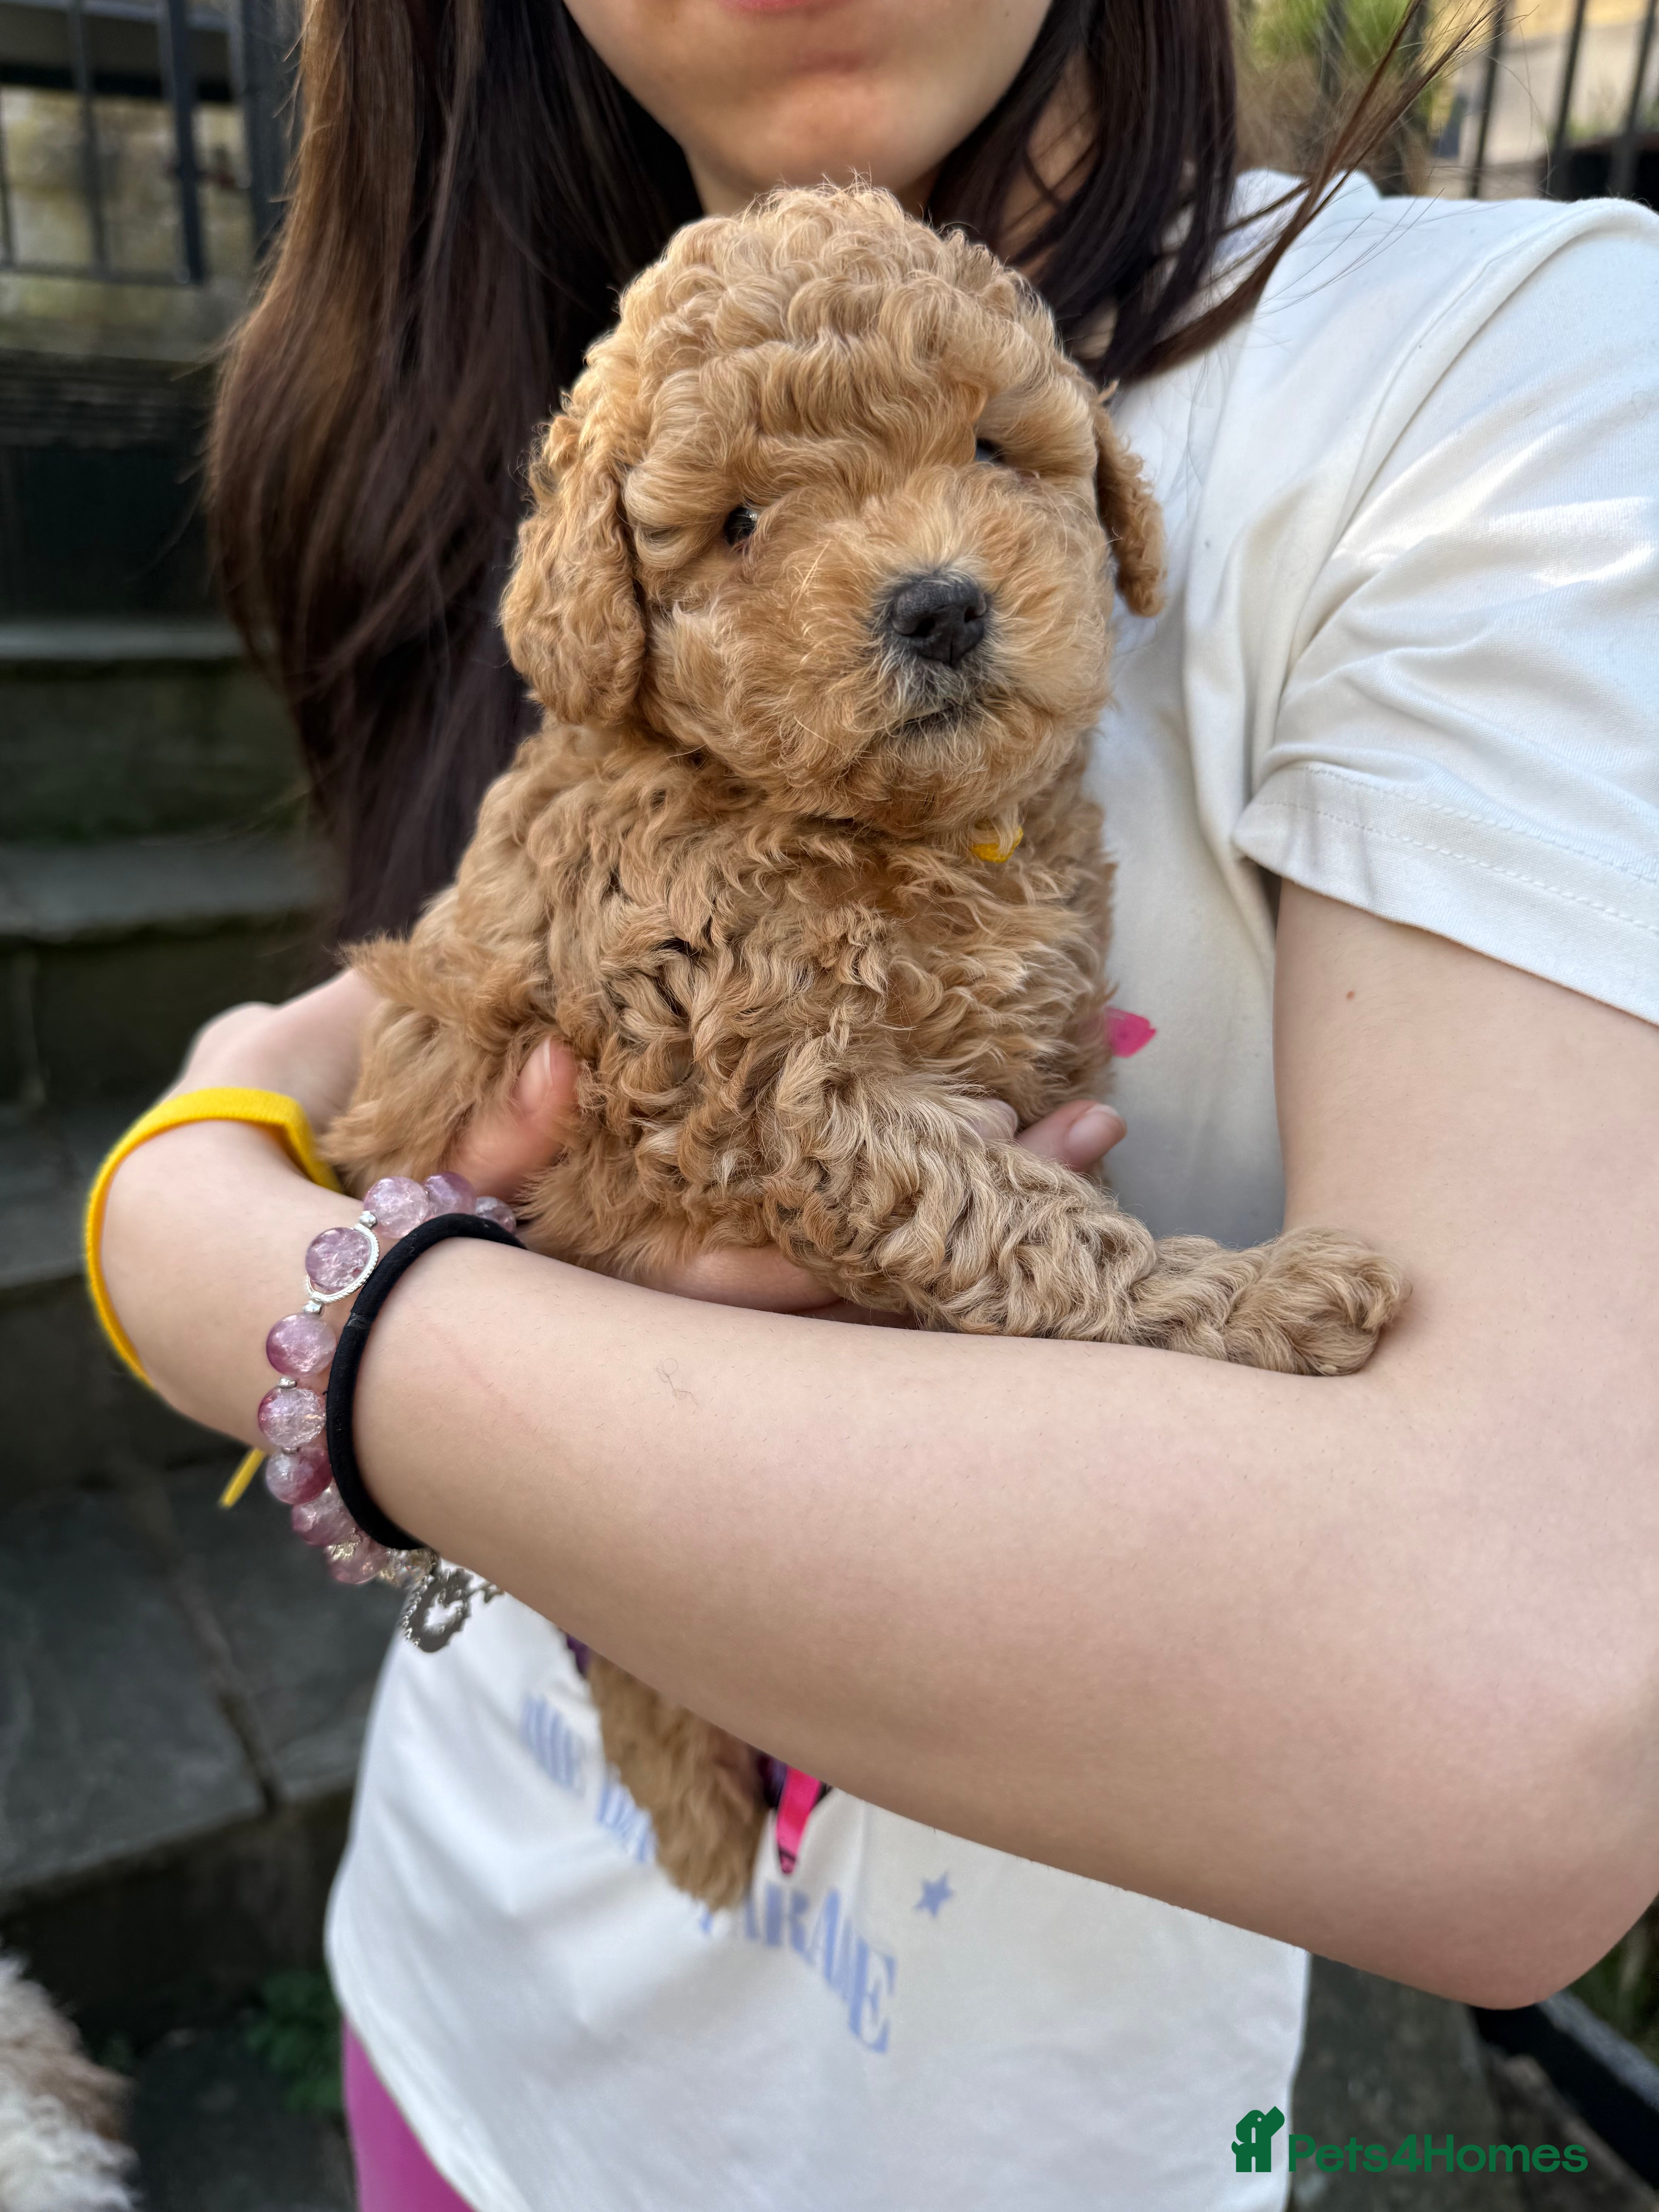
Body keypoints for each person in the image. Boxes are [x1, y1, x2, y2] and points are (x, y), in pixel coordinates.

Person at [97, 2, 1659, 2206]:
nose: (919, 565)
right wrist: (271, 1144)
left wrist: (289, 1308)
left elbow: (1511, 1739)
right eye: (745, 524)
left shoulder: (1502, 382)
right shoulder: (525, 392)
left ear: (1100, 487)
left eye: (999, 468)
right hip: (459, 1993)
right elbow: (464, 964)